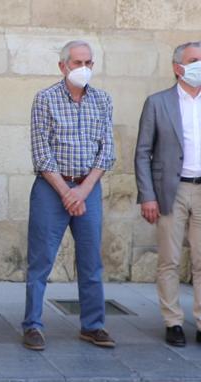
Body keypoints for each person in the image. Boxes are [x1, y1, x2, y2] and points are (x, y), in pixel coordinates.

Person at [22, 40, 116, 351]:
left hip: (87, 188)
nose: (84, 68)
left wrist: (84, 190)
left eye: (89, 62)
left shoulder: (102, 100)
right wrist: (66, 192)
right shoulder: (45, 99)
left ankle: (93, 325)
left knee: (91, 261)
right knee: (41, 260)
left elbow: (107, 151)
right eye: (77, 63)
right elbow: (41, 152)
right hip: (52, 189)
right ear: (63, 66)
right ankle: (33, 325)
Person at [135, 41, 201, 347]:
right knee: (170, 260)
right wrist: (147, 195)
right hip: (169, 191)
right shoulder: (158, 103)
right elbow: (143, 152)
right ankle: (173, 321)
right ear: (178, 67)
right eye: (195, 60)